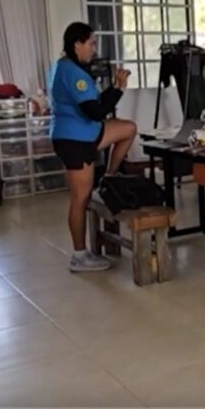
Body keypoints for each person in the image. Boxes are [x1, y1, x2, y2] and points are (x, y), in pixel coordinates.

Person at [50, 21, 138, 272]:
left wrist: (114, 89)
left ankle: (109, 176)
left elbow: (95, 105)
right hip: (74, 139)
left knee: (128, 128)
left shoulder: (70, 66)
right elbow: (96, 111)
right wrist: (119, 89)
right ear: (77, 44)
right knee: (81, 198)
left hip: (86, 131)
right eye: (91, 43)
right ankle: (79, 255)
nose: (94, 49)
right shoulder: (72, 72)